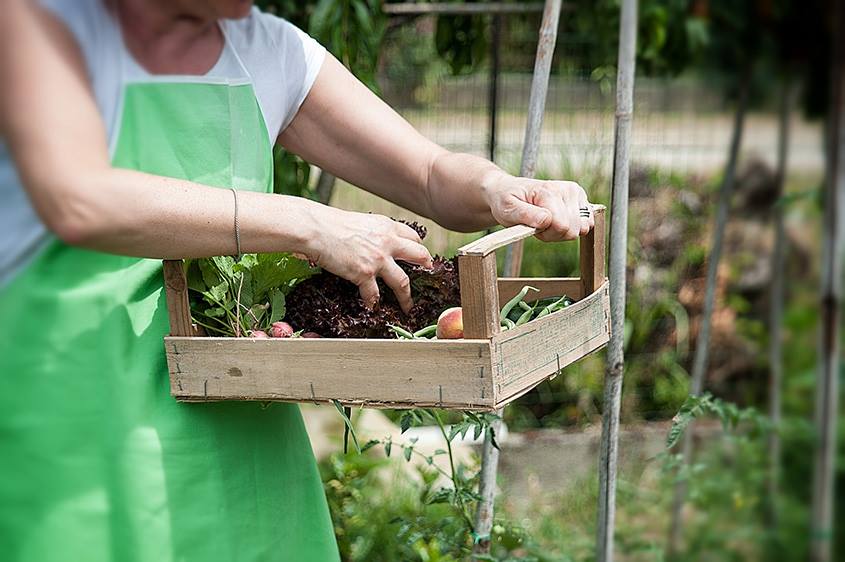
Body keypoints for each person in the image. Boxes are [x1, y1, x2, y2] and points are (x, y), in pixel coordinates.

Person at [0, 0, 594, 560]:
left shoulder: (266, 50)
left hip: (239, 434)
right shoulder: (40, 24)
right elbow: (77, 197)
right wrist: (308, 223)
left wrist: (499, 189)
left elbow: (432, 175)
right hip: (73, 425)